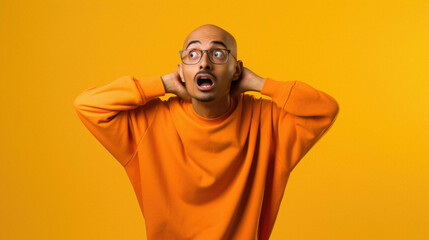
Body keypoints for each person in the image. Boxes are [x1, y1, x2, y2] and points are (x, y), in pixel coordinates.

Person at [73, 24, 340, 240]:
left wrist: (260, 83)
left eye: (218, 54)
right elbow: (86, 105)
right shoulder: (151, 123)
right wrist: (161, 84)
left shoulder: (266, 121)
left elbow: (325, 109)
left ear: (237, 70)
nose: (204, 63)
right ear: (181, 71)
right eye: (192, 54)